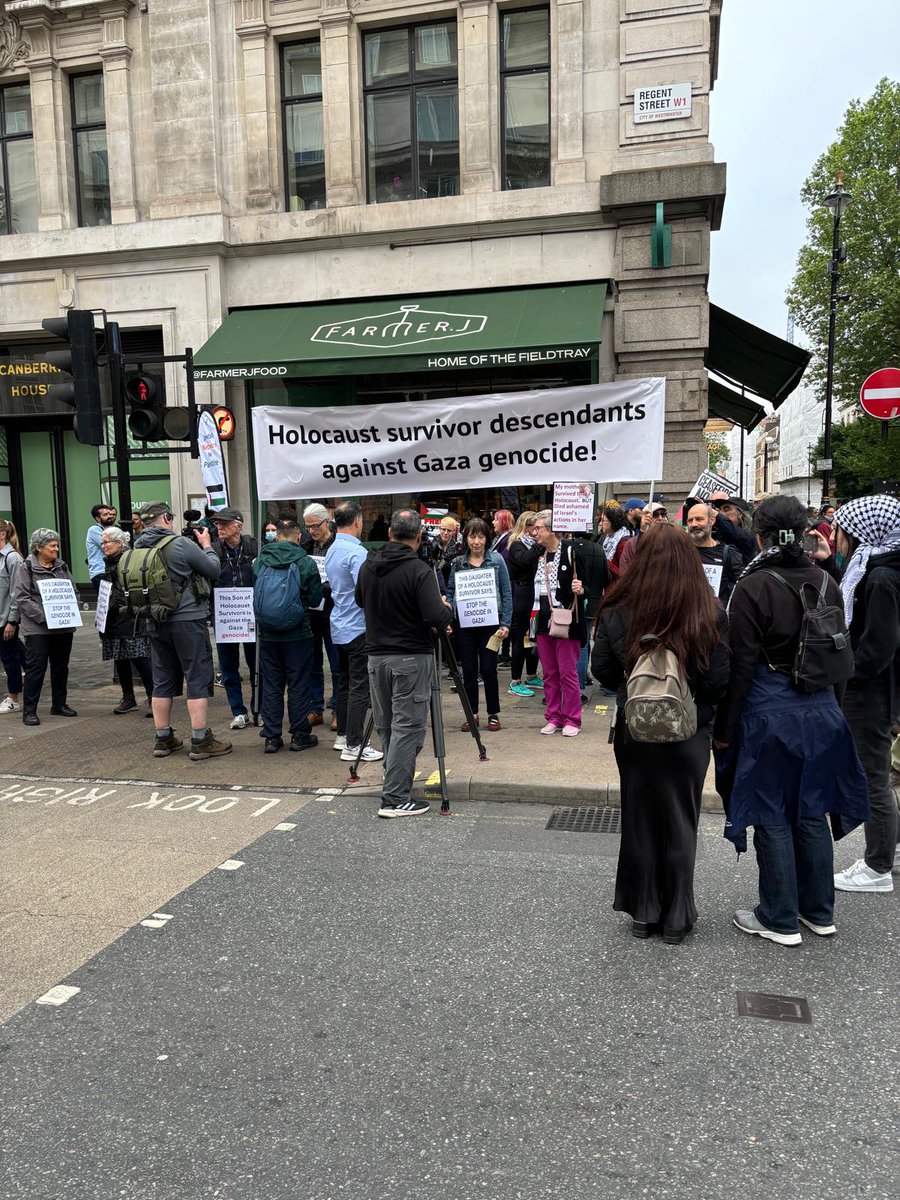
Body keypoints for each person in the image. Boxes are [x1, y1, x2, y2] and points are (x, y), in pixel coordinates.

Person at [712, 496, 868, 946]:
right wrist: (830, 708)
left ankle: (779, 917)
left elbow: (740, 667)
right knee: (812, 809)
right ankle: (818, 911)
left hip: (769, 711)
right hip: (821, 709)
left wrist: (724, 730)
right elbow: (841, 653)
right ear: (803, 532)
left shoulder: (752, 586)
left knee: (772, 813)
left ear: (759, 534)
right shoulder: (826, 579)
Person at [592, 523, 730, 943]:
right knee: (680, 819)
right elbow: (719, 681)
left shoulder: (617, 608)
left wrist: (633, 681)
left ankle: (643, 910)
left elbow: (600, 669)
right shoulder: (707, 609)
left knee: (639, 818)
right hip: (688, 732)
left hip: (636, 730)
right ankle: (675, 918)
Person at [355, 509, 450, 818]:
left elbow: (359, 600)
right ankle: (395, 798)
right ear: (419, 537)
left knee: (387, 725)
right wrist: (446, 611)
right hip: (410, 656)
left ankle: (394, 782)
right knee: (408, 728)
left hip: (376, 656)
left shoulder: (369, 565)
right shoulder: (418, 570)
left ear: (391, 533)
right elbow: (435, 617)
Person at [827, 495, 900, 893]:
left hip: (870, 690)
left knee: (873, 774)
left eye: (840, 531)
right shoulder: (876, 568)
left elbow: (880, 643)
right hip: (876, 687)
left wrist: (850, 672)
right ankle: (890, 847)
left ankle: (877, 867)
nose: (836, 538)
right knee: (878, 771)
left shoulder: (881, 577)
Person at [129, 501, 229, 760]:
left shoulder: (136, 548)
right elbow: (213, 569)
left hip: (153, 621)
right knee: (197, 675)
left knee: (162, 680)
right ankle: (200, 739)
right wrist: (206, 545)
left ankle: (163, 739)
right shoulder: (180, 544)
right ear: (165, 517)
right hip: (187, 620)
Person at [252, 517, 323, 753]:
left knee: (271, 684)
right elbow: (314, 600)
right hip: (298, 633)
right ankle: (299, 735)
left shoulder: (260, 561)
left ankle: (271, 737)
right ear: (298, 537)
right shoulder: (305, 563)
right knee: (299, 684)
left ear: (276, 536)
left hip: (268, 634)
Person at [325, 501, 383, 764]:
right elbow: (367, 591)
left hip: (339, 624)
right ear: (358, 521)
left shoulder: (332, 550)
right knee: (360, 687)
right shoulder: (356, 554)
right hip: (358, 626)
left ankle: (344, 736)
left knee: (346, 682)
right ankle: (355, 743)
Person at [445, 517, 512, 732]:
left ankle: (493, 713)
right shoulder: (458, 563)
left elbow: (506, 593)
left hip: (490, 624)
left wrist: (506, 623)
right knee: (469, 671)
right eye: (472, 536)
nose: (476, 541)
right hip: (465, 625)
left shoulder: (497, 560)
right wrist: (452, 612)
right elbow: (450, 593)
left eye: (481, 536)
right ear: (465, 538)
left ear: (487, 538)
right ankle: (471, 713)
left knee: (488, 669)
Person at [14, 528, 78, 725]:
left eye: (57, 545)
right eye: (52, 546)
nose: (56, 549)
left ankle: (59, 704)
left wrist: (69, 610)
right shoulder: (26, 567)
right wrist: (45, 616)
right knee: (36, 668)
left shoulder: (62, 566)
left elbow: (72, 590)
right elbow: (23, 598)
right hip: (38, 628)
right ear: (38, 547)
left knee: (61, 667)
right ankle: (30, 711)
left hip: (63, 627)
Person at [531, 511, 586, 736]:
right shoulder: (539, 556)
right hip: (542, 619)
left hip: (566, 621)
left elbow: (585, 589)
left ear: (552, 530)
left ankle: (572, 718)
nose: (535, 533)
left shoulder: (572, 553)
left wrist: (580, 590)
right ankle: (554, 716)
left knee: (567, 672)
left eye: (538, 528)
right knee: (550, 673)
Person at [210, 507, 258, 730]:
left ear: (238, 526)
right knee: (229, 667)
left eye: (225, 524)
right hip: (225, 617)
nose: (219, 527)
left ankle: (259, 709)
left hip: (251, 616)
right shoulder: (212, 550)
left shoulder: (254, 546)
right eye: (218, 524)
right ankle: (238, 711)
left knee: (257, 665)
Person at [99, 526, 154, 715]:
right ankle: (128, 698)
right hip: (114, 618)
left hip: (130, 616)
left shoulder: (128, 560)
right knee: (120, 658)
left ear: (119, 543)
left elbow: (128, 590)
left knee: (140, 658)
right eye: (102, 542)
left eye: (106, 542)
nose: (103, 546)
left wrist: (111, 603)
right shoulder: (110, 561)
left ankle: (154, 698)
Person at [303, 502, 339, 731]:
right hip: (311, 612)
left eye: (315, 526)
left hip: (334, 611)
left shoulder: (338, 545)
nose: (312, 531)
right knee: (312, 662)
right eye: (308, 527)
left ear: (326, 522)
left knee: (336, 663)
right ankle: (316, 708)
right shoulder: (306, 546)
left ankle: (337, 708)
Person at [506, 511, 541, 696]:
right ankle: (514, 681)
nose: (537, 532)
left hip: (533, 593)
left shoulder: (533, 545)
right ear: (526, 527)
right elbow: (523, 561)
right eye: (535, 527)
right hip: (522, 593)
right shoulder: (517, 545)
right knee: (520, 638)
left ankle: (531, 675)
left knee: (532, 636)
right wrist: (538, 547)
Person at [685, 500, 743, 606]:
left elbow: (740, 589)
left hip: (717, 619)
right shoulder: (681, 552)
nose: (694, 524)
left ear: (711, 520)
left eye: (699, 519)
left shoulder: (728, 553)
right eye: (690, 520)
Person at [0, 519, 25, 713]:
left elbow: (16, 593)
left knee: (10, 659)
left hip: (6, 619)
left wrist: (12, 621)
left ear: (2, 534)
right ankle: (31, 671)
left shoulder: (12, 558)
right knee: (14, 653)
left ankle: (14, 699)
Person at [708, 492, 756, 562]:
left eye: (726, 509)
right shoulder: (720, 532)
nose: (721, 513)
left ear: (740, 514)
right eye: (720, 510)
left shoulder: (750, 535)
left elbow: (735, 533)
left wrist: (717, 515)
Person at [86, 503, 117, 593]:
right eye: (105, 515)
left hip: (111, 571)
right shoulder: (94, 530)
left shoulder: (112, 529)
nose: (109, 516)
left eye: (109, 514)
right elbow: (110, 548)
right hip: (101, 572)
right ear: (97, 518)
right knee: (107, 602)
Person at [600, 505, 631, 578]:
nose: (600, 523)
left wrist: (605, 562)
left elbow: (624, 574)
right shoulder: (606, 538)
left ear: (612, 521)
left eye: (603, 520)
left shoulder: (624, 543)